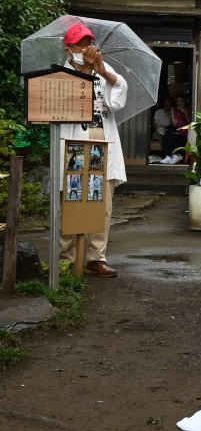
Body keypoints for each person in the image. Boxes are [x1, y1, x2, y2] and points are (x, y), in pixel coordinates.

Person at [59, 22, 128, 278]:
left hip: (102, 140)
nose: (87, 47)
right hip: (73, 144)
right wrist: (87, 70)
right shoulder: (60, 74)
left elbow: (119, 96)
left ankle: (95, 258)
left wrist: (103, 72)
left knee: (103, 203)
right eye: (81, 43)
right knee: (71, 200)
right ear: (69, 49)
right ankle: (67, 260)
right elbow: (71, 103)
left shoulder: (103, 68)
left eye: (89, 42)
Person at [160, 96, 191, 164]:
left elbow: (190, 123)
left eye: (181, 101)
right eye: (178, 101)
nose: (179, 103)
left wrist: (185, 113)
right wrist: (172, 113)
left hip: (186, 135)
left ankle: (177, 155)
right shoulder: (178, 112)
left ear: (185, 102)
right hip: (179, 133)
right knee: (165, 137)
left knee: (170, 137)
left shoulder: (189, 110)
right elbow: (174, 124)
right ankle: (168, 156)